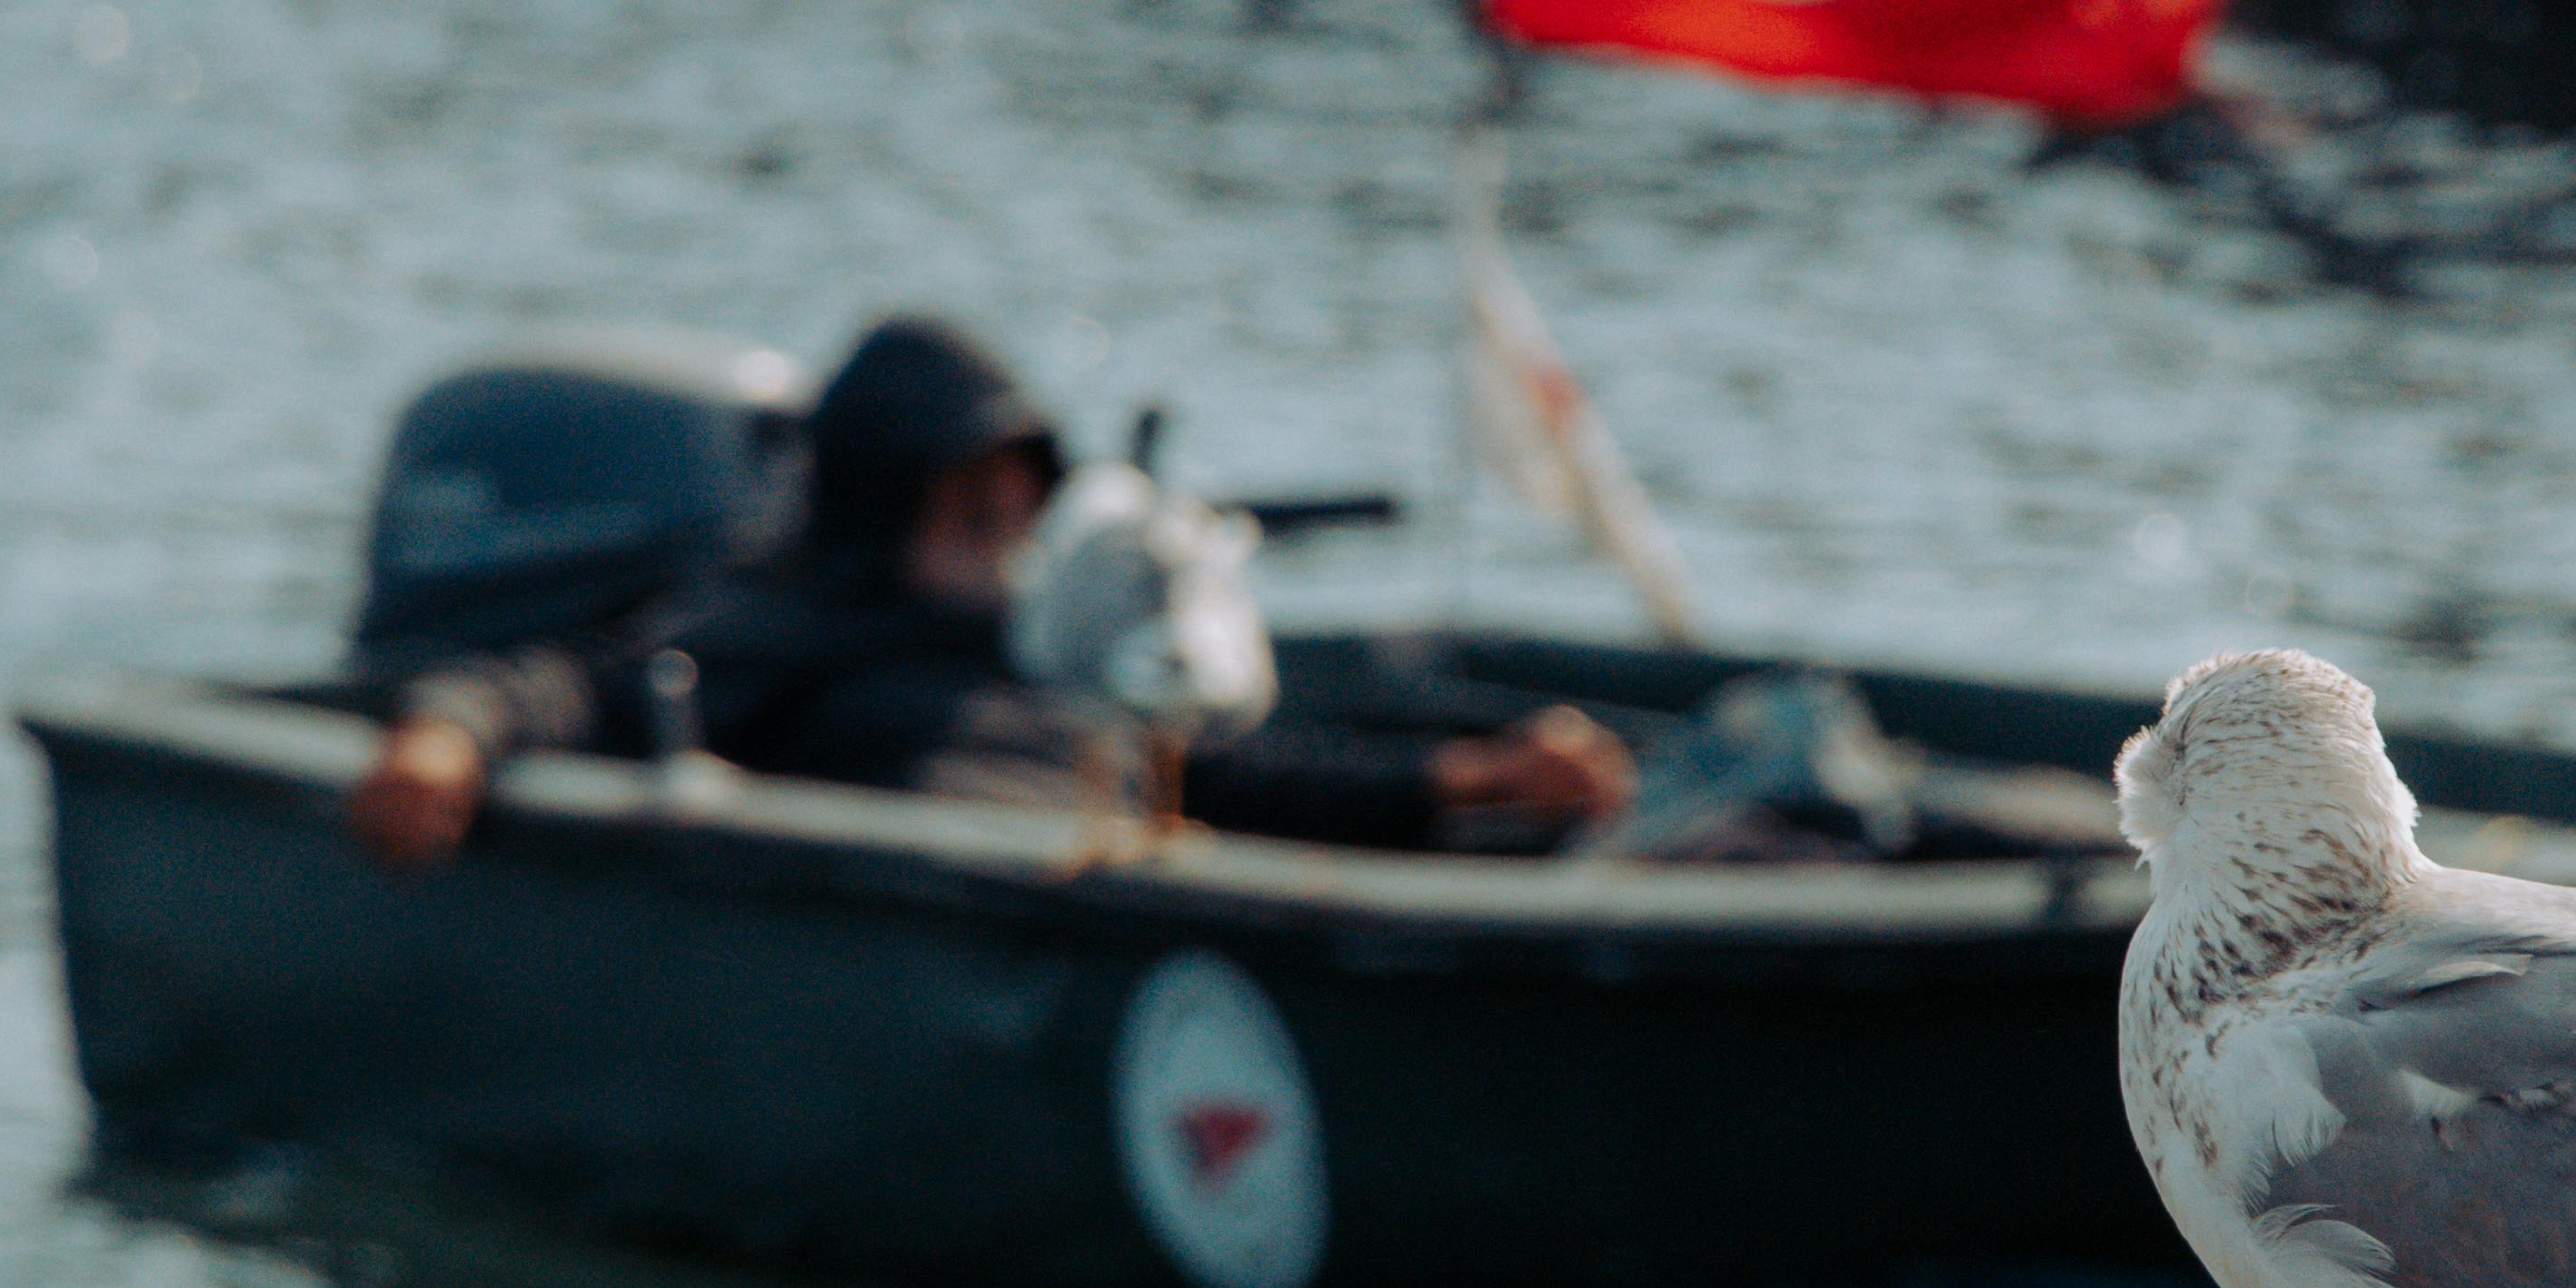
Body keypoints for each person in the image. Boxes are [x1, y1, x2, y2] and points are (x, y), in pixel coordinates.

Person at [345, 316, 1632, 866]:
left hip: (1116, 887)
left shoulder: (1042, 655)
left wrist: (1460, 776)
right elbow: (578, 678)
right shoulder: (788, 633)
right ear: (880, 497)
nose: (1000, 537)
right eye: (965, 504)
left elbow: (1210, 776)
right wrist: (448, 732)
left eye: (1016, 506)